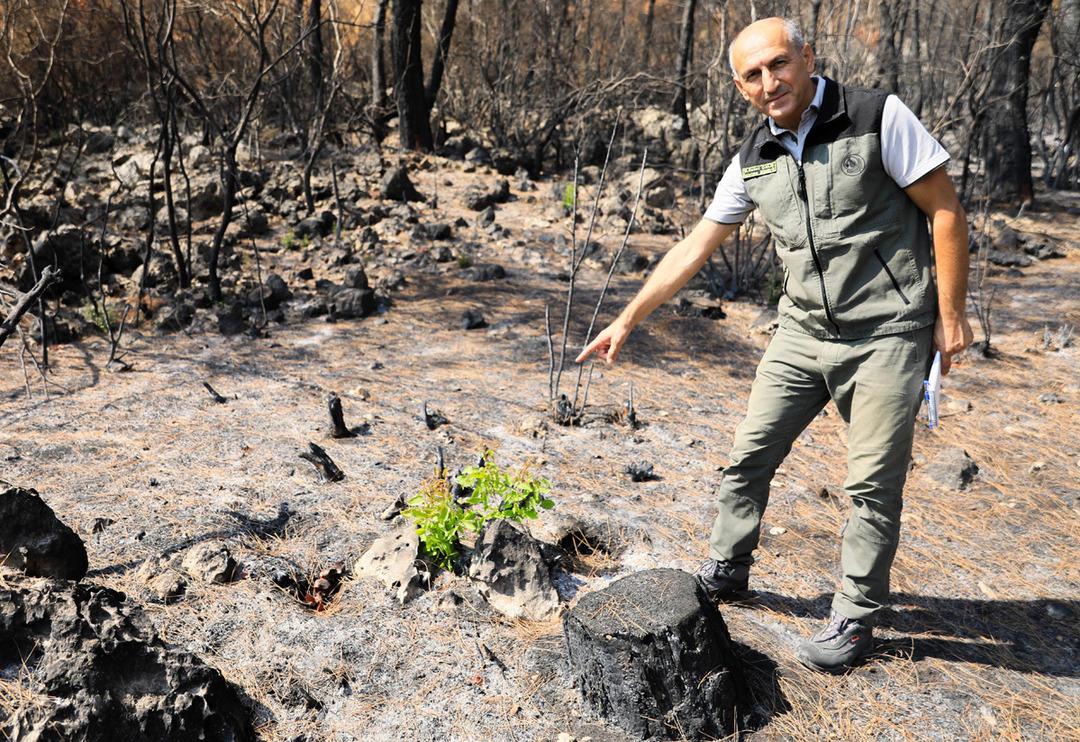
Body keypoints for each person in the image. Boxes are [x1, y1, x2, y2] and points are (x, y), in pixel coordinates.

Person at [576, 16, 974, 673]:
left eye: (779, 65)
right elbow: (697, 245)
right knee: (748, 455)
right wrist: (629, 318)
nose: (770, 82)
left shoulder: (877, 116)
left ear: (807, 58)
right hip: (802, 332)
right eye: (753, 75)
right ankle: (728, 567)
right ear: (739, 86)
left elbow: (946, 211)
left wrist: (950, 318)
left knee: (871, 484)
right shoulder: (752, 157)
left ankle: (853, 616)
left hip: (887, 331)